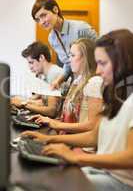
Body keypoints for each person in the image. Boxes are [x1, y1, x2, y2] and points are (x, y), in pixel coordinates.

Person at [22, 29, 133, 191]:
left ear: (123, 62)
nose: (98, 71)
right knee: (44, 176)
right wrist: (50, 139)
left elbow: (130, 157)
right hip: (103, 172)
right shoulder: (114, 97)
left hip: (121, 183)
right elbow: (94, 137)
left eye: (103, 63)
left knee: (53, 184)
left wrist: (77, 157)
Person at [27, 38, 103, 134]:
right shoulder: (77, 82)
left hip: (77, 142)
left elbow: (92, 125)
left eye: (73, 55)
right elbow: (67, 119)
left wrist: (55, 124)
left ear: (86, 58)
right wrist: (50, 121)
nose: (69, 59)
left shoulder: (94, 83)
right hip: (66, 135)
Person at [31, 0, 97, 89]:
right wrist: (58, 81)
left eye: (43, 15)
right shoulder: (52, 38)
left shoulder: (81, 28)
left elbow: (101, 55)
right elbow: (68, 63)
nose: (41, 22)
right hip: (77, 83)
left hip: (93, 82)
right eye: (38, 20)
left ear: (55, 10)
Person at [11, 41, 63, 118]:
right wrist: (24, 101)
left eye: (31, 62)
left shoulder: (54, 73)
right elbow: (43, 102)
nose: (30, 67)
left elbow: (52, 111)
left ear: (41, 58)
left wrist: (23, 104)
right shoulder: (45, 75)